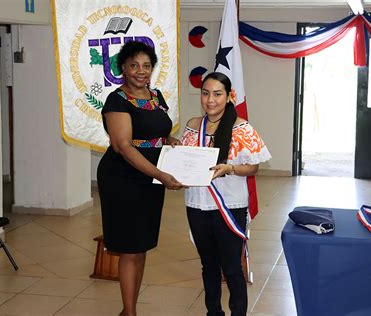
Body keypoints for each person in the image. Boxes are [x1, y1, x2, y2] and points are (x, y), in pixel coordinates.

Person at [97, 41, 184, 316]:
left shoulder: (156, 96)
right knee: (128, 248)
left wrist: (170, 140)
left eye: (146, 66)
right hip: (123, 178)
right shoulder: (117, 100)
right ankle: (130, 312)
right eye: (134, 65)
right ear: (123, 67)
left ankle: (128, 308)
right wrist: (160, 174)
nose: (141, 71)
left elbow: (155, 132)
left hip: (150, 178)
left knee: (142, 245)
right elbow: (123, 145)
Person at [181, 72, 271, 316]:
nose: (210, 100)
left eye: (217, 94)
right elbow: (186, 163)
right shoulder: (191, 126)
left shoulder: (241, 128)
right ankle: (213, 312)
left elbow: (253, 167)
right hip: (197, 204)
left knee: (231, 268)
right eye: (206, 93)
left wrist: (229, 168)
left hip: (230, 206)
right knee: (208, 264)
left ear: (229, 96)